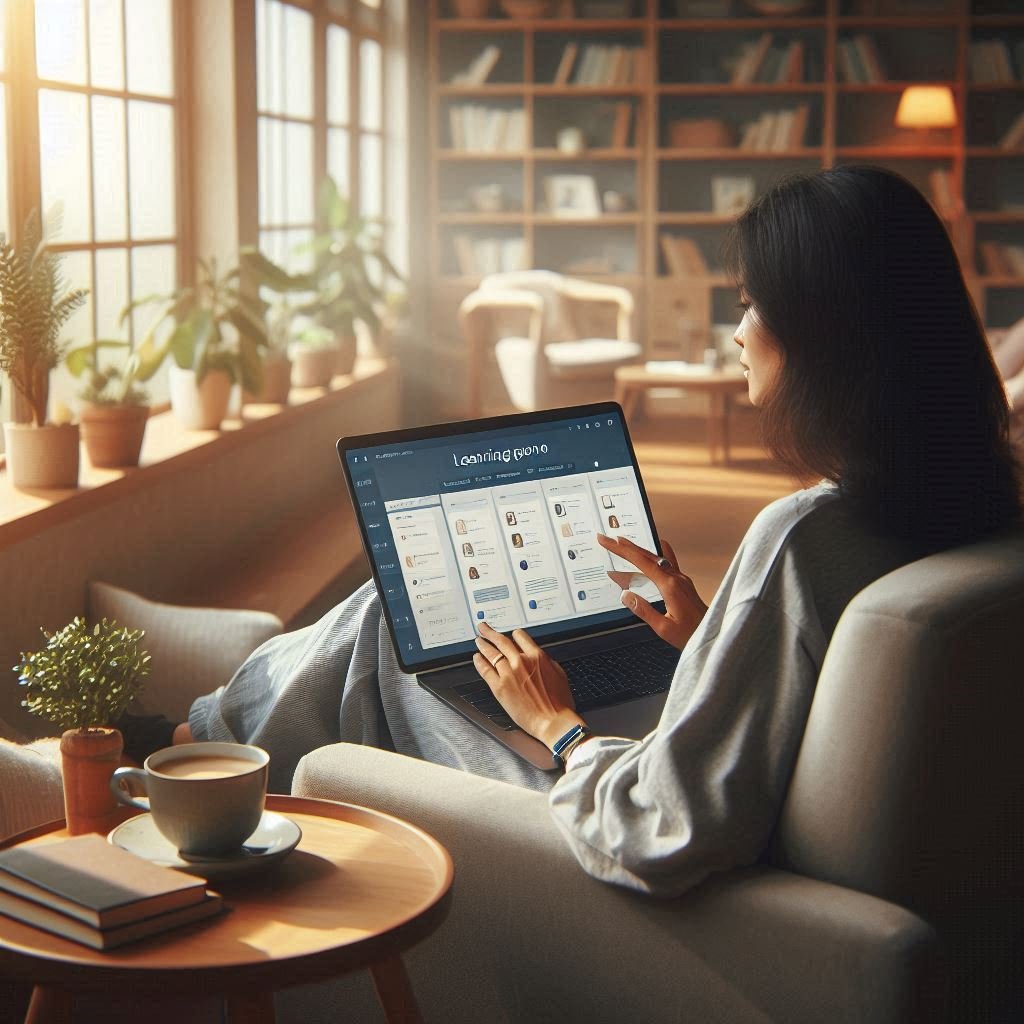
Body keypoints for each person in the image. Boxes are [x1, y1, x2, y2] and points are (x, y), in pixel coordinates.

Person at [129, 166, 1020, 898]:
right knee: (425, 632)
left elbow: (659, 829)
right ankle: (196, 742)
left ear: (826, 337)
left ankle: (188, 759)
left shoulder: (803, 534)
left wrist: (556, 724)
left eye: (751, 306)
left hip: (671, 858)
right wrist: (713, 636)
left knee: (400, 636)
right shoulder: (972, 502)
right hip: (794, 827)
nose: (738, 334)